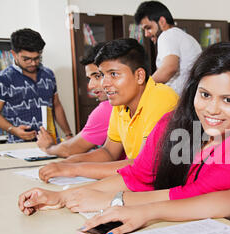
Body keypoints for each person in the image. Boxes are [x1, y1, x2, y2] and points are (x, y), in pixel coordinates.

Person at [18, 42, 230, 234]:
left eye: (228, 100)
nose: (212, 109)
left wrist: (116, 201)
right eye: (205, 95)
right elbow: (137, 175)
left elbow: (193, 194)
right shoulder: (177, 123)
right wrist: (63, 195)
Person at [38, 38, 178, 182]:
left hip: (168, 188)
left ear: (139, 76)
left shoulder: (161, 98)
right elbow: (108, 152)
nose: (105, 83)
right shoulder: (120, 104)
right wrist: (67, 163)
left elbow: (142, 165)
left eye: (113, 74)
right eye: (102, 75)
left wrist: (74, 169)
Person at [36, 43, 113, 158]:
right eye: (89, 79)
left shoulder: (107, 108)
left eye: (97, 76)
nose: (91, 86)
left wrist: (49, 147)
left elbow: (70, 150)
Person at [0, 28, 73, 143]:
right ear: (14, 54)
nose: (33, 63)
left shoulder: (48, 74)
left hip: (51, 143)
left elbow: (56, 105)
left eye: (36, 58)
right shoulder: (4, 78)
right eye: (27, 59)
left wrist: (68, 135)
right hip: (19, 146)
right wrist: (13, 130)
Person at [135, 1, 202, 95]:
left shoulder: (167, 35)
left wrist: (142, 87)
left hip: (179, 101)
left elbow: (169, 68)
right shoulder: (186, 37)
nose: (146, 34)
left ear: (162, 22)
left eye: (148, 28)